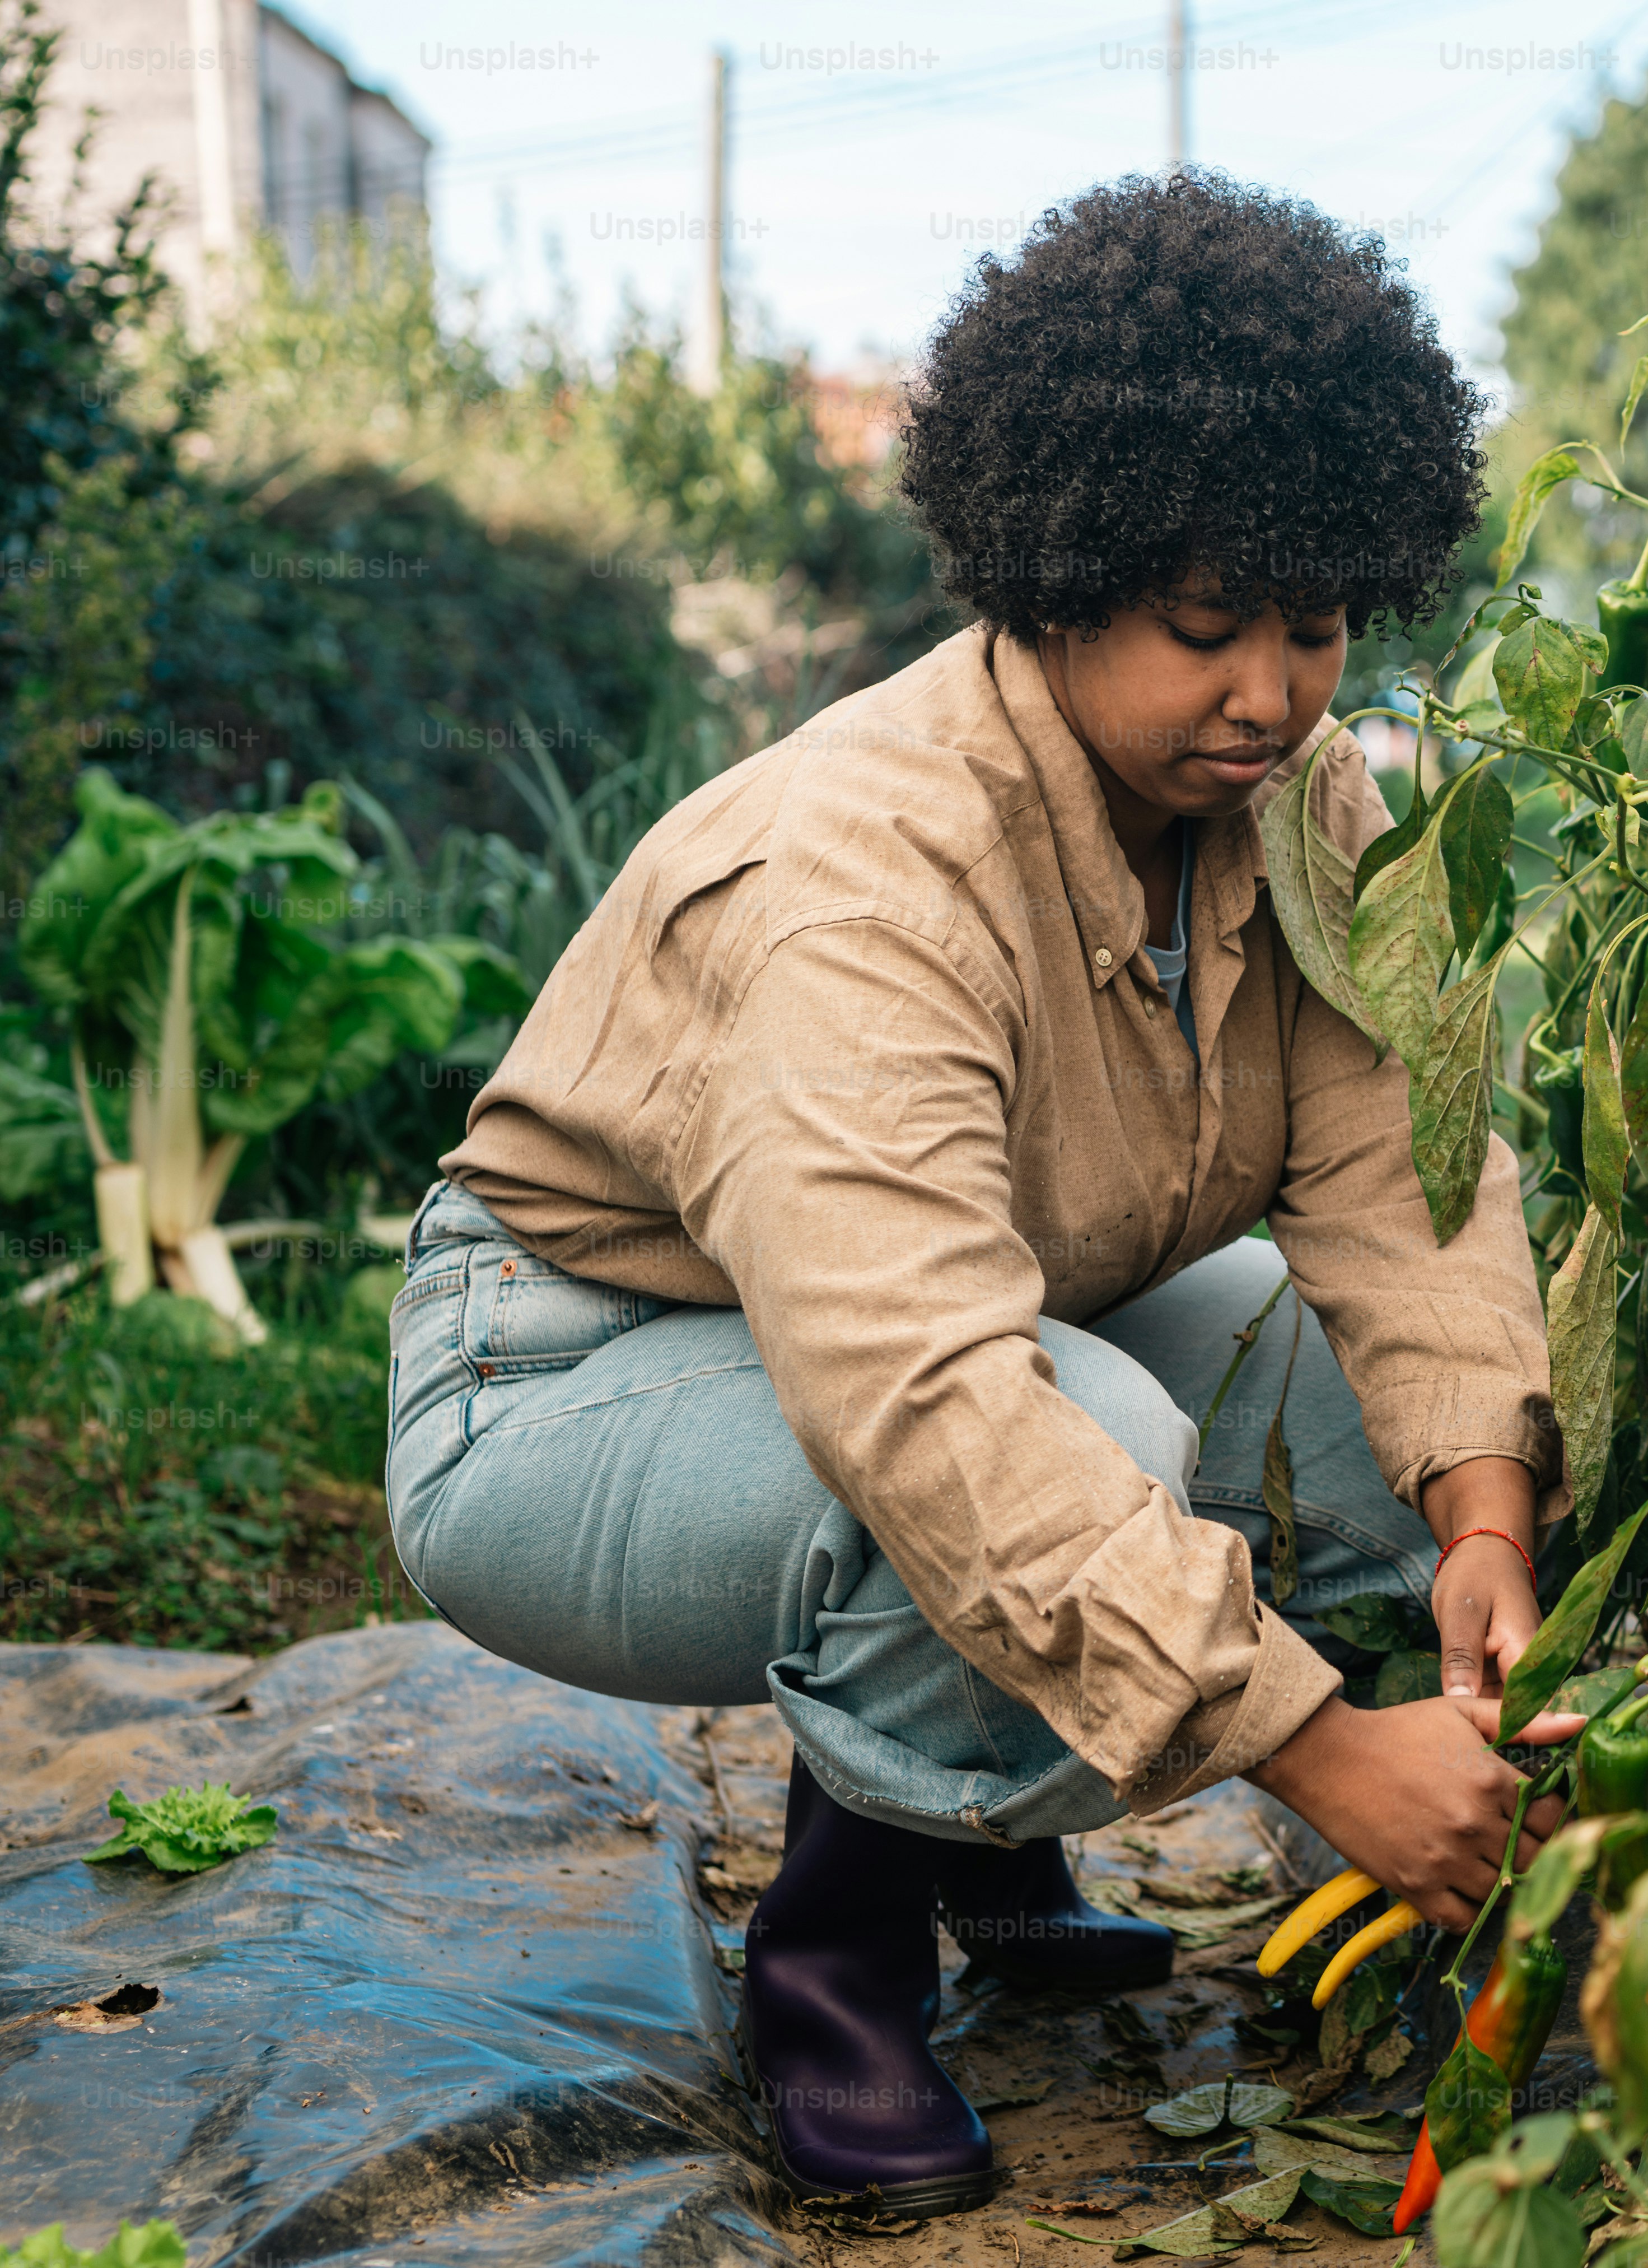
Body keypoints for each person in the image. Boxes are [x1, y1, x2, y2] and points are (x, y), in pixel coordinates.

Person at [382, 174, 1572, 2219]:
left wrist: (1479, 1506)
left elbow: (1402, 1164)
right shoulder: (863, 874)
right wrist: (1306, 1742)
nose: (1273, 695)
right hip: (557, 1378)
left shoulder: (1301, 805)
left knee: (1335, 1395)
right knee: (1070, 1439)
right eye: (1208, 630)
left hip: (940, 1315)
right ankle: (834, 1960)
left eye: (1314, 624)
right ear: (1055, 579)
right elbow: (922, 1392)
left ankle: (1013, 1843)